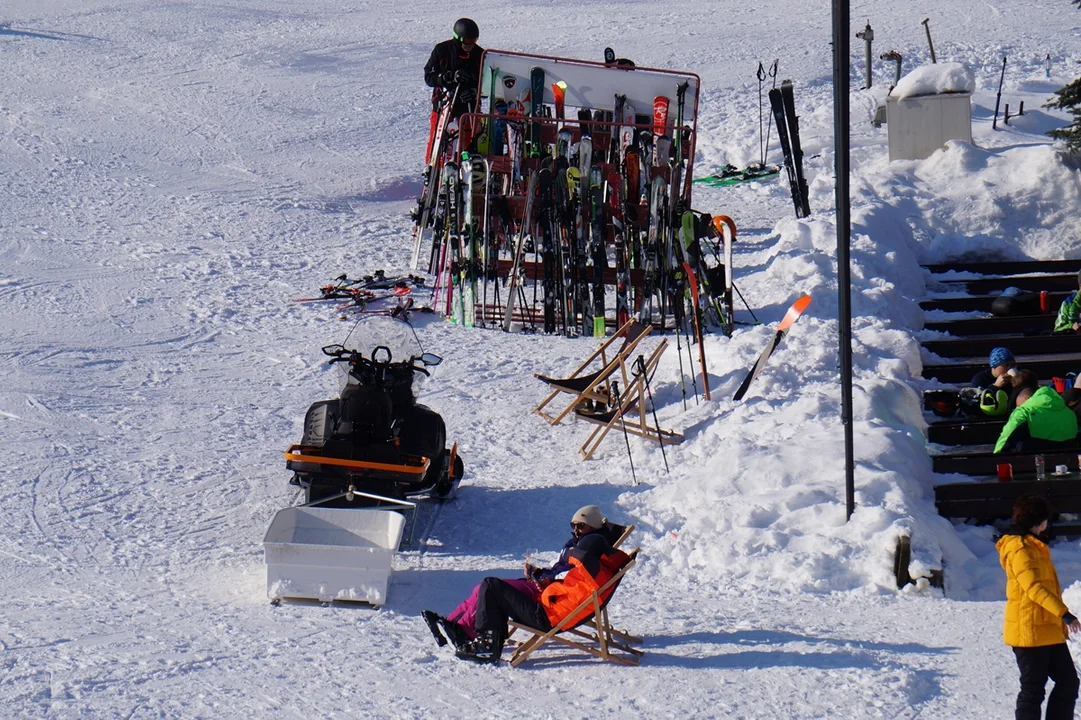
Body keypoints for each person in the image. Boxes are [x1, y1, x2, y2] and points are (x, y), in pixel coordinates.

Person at [421, 505, 616, 650]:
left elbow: (566, 578)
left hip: (545, 593)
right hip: (542, 585)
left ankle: (465, 631)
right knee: (483, 587)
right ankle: (454, 624)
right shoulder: (575, 544)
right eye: (573, 525)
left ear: (593, 527)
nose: (575, 530)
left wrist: (542, 577)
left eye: (581, 526)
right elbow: (557, 566)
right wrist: (539, 570)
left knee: (489, 588)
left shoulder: (588, 552)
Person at [456, 533, 630, 663]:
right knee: (497, 590)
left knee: (491, 585)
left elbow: (578, 557)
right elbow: (572, 582)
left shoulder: (595, 572)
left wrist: (569, 552)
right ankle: (491, 640)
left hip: (545, 618)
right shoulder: (599, 571)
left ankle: (487, 645)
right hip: (545, 607)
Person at [997, 494, 1081, 719]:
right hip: (1029, 631)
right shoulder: (1020, 549)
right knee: (1033, 689)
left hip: (1047, 630)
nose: (1047, 524)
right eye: (1045, 519)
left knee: (1068, 682)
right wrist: (1063, 613)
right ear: (1036, 521)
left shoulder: (1034, 545)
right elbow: (1034, 588)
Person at [423, 18, 484, 120]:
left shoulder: (480, 54)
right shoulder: (442, 50)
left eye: (473, 41)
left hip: (468, 107)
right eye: (467, 41)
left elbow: (486, 83)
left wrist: (475, 92)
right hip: (443, 105)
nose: (470, 46)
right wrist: (447, 77)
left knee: (469, 134)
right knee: (438, 135)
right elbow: (429, 77)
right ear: (458, 38)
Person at [993, 383, 1079, 454]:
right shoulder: (1069, 413)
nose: (1018, 407)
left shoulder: (1024, 411)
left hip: (1034, 465)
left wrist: (995, 460)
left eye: (1018, 404)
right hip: (1066, 464)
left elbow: (1006, 439)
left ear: (1027, 398)